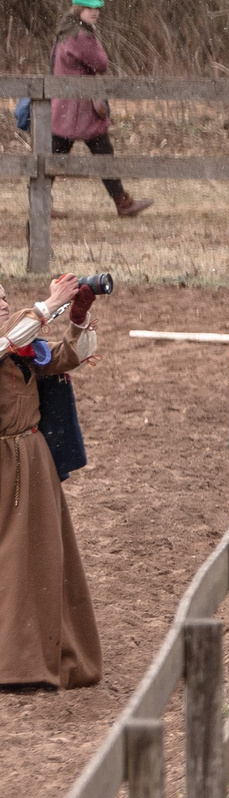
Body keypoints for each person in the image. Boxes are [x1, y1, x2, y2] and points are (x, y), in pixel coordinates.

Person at [0, 274, 103, 688]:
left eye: (4, 297)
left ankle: (35, 657)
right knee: (11, 561)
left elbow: (71, 354)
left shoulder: (21, 346)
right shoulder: (10, 342)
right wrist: (48, 306)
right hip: (7, 466)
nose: (3, 304)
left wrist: (77, 317)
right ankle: (14, 662)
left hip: (32, 460)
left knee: (42, 557)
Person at [46, 0, 151, 219]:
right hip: (80, 108)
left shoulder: (64, 31)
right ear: (79, 9)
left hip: (64, 106)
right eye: (89, 7)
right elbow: (102, 63)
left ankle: (41, 202)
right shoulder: (81, 35)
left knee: (55, 156)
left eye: (96, 8)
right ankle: (122, 203)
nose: (94, 12)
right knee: (102, 154)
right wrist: (94, 37)